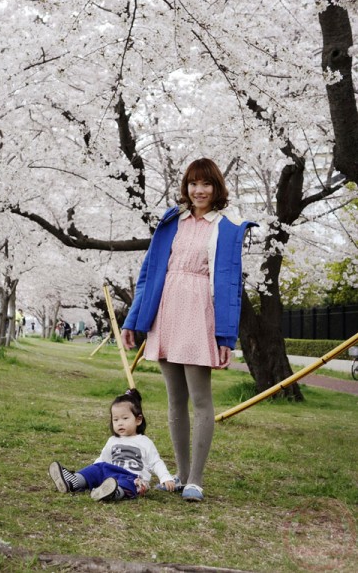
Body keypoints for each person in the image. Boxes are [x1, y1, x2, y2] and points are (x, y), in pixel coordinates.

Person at [121, 158, 257, 502]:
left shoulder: (226, 227)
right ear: (186, 186)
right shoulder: (171, 221)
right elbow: (150, 272)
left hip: (200, 313)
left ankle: (196, 478)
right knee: (174, 400)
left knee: (200, 399)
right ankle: (180, 474)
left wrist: (226, 336)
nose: (199, 190)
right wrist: (133, 320)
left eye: (206, 184)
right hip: (167, 312)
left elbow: (229, 285)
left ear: (217, 189)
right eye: (194, 183)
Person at [48, 389, 175, 501]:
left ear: (138, 420)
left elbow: (156, 462)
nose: (120, 423)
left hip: (133, 477)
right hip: (110, 474)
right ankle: (73, 481)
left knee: (126, 483)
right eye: (116, 419)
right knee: (97, 468)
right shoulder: (112, 440)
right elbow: (103, 459)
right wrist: (93, 470)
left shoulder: (144, 442)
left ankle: (113, 493)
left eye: (125, 418)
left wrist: (165, 477)